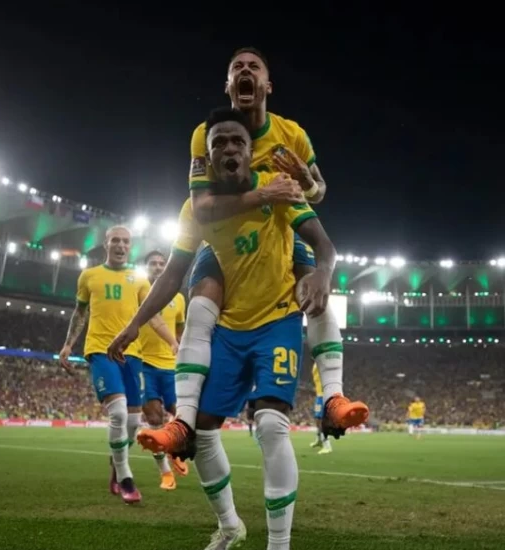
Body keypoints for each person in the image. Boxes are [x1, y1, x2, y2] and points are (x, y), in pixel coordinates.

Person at [108, 107, 337, 550]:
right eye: (219, 145)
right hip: (229, 330)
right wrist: (130, 327)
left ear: (248, 150)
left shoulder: (277, 185)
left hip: (276, 319)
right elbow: (172, 275)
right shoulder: (196, 211)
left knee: (272, 424)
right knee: (203, 436)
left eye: (237, 142)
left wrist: (321, 271)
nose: (229, 149)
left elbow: (322, 240)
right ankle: (230, 526)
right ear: (206, 158)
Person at [137, 47, 367, 460]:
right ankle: (184, 421)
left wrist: (305, 184)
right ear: (228, 86)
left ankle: (333, 397)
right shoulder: (202, 134)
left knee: (310, 284)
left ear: (267, 85)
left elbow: (319, 192)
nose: (245, 72)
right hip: (222, 236)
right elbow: (202, 207)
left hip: (279, 226)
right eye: (236, 68)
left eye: (253, 67)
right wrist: (262, 192)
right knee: (201, 297)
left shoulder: (292, 133)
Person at [58, 225, 178, 505]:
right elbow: (80, 313)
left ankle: (115, 465)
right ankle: (125, 476)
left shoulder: (139, 280)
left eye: (125, 241)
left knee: (134, 420)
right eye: (115, 241)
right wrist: (68, 344)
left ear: (130, 246)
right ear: (106, 244)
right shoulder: (89, 276)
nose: (121, 245)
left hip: (133, 354)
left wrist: (173, 342)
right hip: (100, 350)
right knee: (120, 414)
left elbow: (154, 317)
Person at [138, 250, 189, 489]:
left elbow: (180, 330)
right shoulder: (137, 293)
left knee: (181, 415)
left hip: (170, 367)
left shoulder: (178, 298)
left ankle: (175, 451)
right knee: (154, 418)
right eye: (152, 264)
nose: (158, 267)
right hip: (143, 363)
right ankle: (165, 473)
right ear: (146, 268)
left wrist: (180, 351)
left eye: (162, 263)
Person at [309, 366, 332, 454]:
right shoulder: (315, 364)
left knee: (322, 420)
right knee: (317, 419)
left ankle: (327, 445)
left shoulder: (323, 362)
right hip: (319, 396)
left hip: (324, 395)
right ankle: (319, 440)